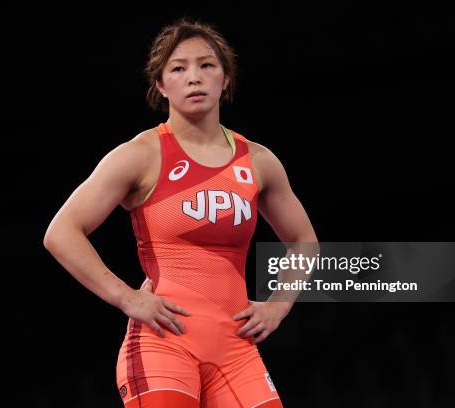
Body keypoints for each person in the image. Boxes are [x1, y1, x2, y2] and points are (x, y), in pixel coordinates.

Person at [43, 18, 317, 408]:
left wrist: (278, 304)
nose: (194, 78)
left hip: (236, 352)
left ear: (226, 79)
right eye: (178, 68)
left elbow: (304, 241)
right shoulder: (141, 155)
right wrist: (126, 297)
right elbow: (61, 232)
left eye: (207, 65)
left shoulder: (258, 161)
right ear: (160, 85)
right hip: (163, 345)